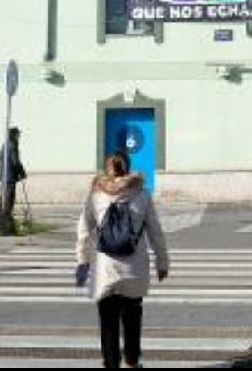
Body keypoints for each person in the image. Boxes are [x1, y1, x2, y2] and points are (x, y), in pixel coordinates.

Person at [76, 152, 169, 370]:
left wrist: (82, 262)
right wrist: (162, 263)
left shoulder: (96, 196)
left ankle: (111, 363)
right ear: (128, 168)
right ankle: (132, 363)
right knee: (132, 319)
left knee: (108, 323)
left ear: (106, 169)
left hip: (105, 270)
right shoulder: (142, 195)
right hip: (134, 270)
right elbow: (156, 232)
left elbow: (83, 232)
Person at [0, 127, 26, 233]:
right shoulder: (13, 145)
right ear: (14, 135)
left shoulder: (5, 145)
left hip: (3, 177)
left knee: (4, 199)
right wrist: (22, 173)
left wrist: (4, 167)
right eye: (18, 134)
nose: (19, 136)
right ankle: (7, 221)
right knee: (9, 200)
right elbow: (15, 162)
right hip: (9, 178)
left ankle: (3, 220)